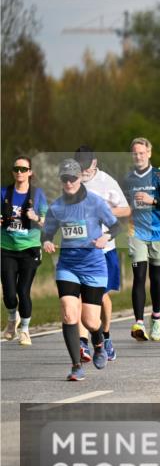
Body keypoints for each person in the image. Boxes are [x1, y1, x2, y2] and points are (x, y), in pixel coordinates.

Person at [42, 159, 121, 380]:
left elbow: (116, 226)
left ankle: (98, 343)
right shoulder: (57, 206)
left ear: (80, 178)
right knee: (68, 313)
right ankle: (76, 365)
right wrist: (47, 241)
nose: (68, 183)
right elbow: (47, 232)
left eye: (72, 178)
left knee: (90, 321)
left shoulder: (95, 202)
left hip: (94, 266)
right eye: (64, 179)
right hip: (68, 265)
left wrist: (106, 236)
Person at [74, 146, 131, 363]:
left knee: (102, 296)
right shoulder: (71, 180)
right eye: (80, 165)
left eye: (86, 166)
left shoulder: (107, 182)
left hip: (104, 248)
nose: (84, 170)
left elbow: (126, 210)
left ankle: (106, 337)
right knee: (80, 297)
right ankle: (82, 344)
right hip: (79, 248)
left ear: (95, 163)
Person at [122, 137, 160, 342]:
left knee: (155, 277)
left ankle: (155, 318)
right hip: (136, 232)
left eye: (142, 153)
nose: (138, 156)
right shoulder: (127, 179)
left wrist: (152, 200)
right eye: (135, 153)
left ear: (149, 154)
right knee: (138, 276)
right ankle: (138, 322)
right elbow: (122, 205)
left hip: (158, 233)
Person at [2, 156, 47, 346]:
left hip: (29, 249)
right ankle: (13, 319)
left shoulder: (38, 195)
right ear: (13, 172)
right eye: (16, 169)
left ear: (30, 172)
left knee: (23, 290)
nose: (19, 172)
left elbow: (47, 222)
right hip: (6, 248)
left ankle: (25, 331)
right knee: (10, 293)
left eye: (23, 169)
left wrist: (35, 217)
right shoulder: (4, 192)